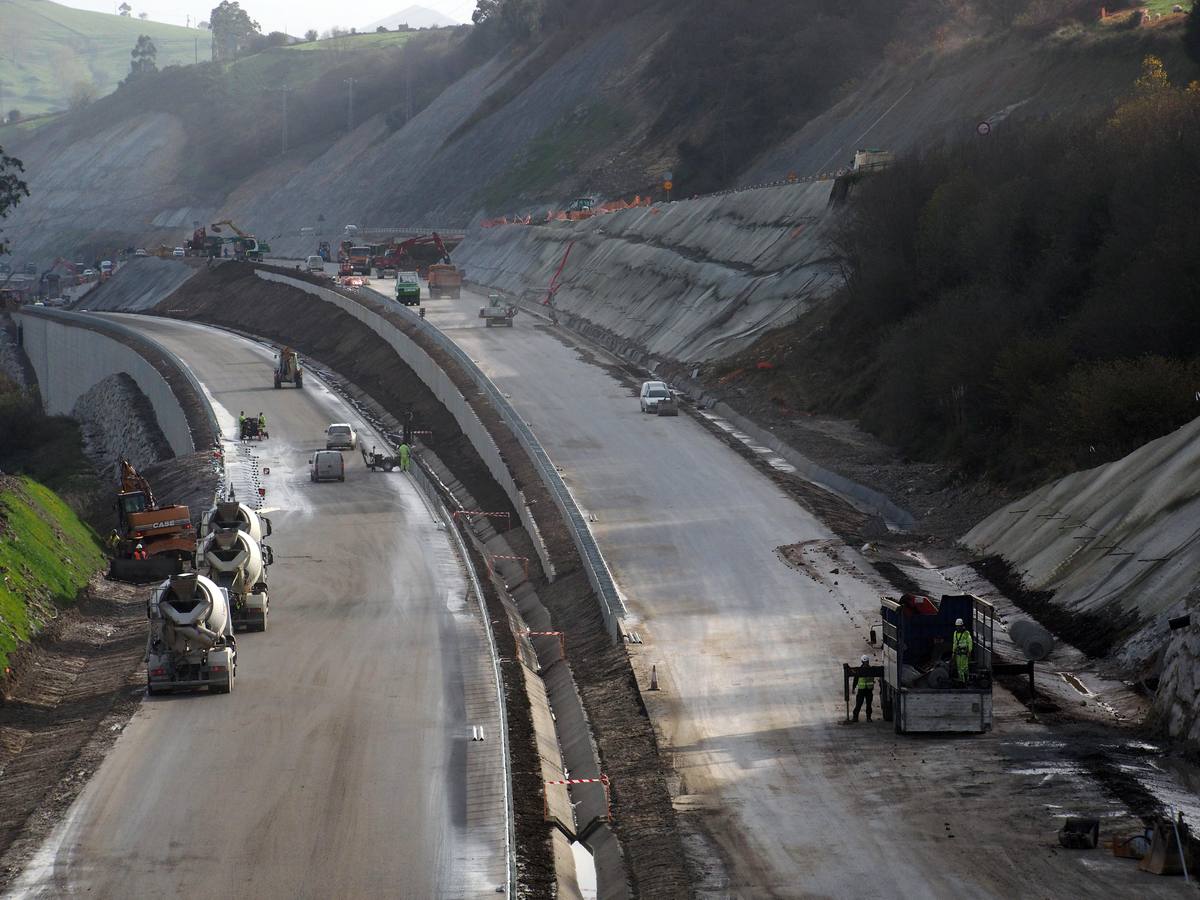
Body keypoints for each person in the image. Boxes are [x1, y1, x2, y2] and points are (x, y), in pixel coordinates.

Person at [852, 654, 874, 722]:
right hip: (863, 690)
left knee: (868, 705)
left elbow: (855, 679)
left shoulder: (862, 670)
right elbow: (856, 679)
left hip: (867, 690)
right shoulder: (868, 670)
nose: (866, 663)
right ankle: (856, 717)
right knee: (859, 704)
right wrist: (853, 687)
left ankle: (868, 718)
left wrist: (853, 687)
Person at [952, 618, 974, 684]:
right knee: (959, 668)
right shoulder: (955, 633)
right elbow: (954, 643)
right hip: (958, 653)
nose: (958, 627)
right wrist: (953, 652)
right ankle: (961, 681)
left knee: (964, 667)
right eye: (957, 626)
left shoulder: (966, 633)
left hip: (964, 653)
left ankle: (966, 680)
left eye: (959, 626)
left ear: (962, 626)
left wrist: (969, 651)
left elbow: (970, 642)